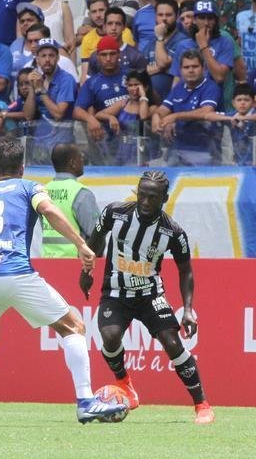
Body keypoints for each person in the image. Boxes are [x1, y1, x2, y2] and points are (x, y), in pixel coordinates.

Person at [0, 136, 125, 426]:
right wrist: (82, 244)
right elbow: (48, 210)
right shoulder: (29, 186)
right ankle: (85, 401)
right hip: (15, 272)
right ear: (23, 168)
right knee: (73, 326)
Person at [78, 170, 213, 424]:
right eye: (142, 195)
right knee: (109, 336)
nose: (146, 202)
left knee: (172, 343)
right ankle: (125, 384)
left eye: (153, 197)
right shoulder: (114, 213)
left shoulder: (173, 232)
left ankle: (202, 405)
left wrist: (188, 309)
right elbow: (94, 242)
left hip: (151, 294)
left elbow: (186, 271)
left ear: (165, 198)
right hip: (116, 292)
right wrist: (87, 271)